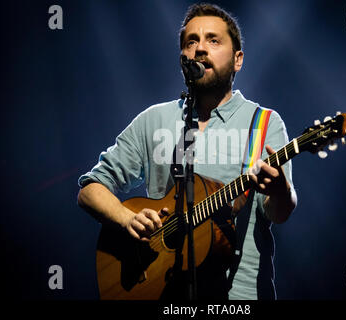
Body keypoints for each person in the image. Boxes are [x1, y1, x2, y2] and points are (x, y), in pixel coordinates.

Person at [77, 3, 297, 300]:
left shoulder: (264, 123)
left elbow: (278, 213)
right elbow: (90, 190)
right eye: (191, 41)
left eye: (213, 40)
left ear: (238, 60)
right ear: (182, 58)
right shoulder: (154, 120)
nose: (200, 49)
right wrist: (126, 218)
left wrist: (281, 190)